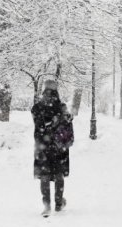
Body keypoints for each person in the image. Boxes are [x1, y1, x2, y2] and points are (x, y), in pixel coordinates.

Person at [31, 80, 74, 218]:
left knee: (44, 176)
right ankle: (58, 202)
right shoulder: (61, 107)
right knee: (58, 175)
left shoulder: (37, 107)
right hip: (58, 146)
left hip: (43, 145)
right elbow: (67, 123)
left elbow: (37, 125)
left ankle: (46, 204)